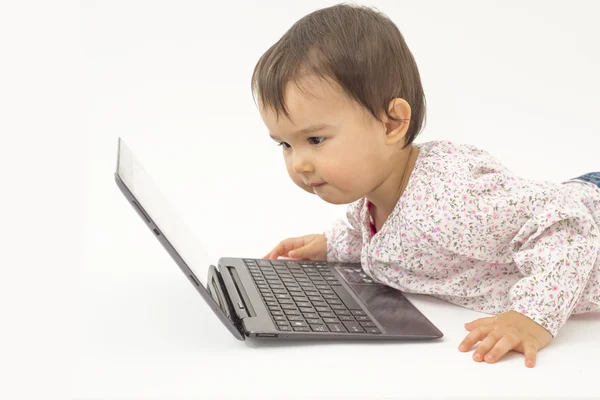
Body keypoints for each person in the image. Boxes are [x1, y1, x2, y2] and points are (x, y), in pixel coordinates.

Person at [251, 3, 600, 368]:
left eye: (316, 140)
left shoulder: (455, 201)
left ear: (391, 124)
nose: (299, 163)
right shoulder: (375, 193)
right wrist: (332, 244)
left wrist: (531, 317)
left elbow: (566, 223)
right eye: (286, 145)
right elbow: (381, 235)